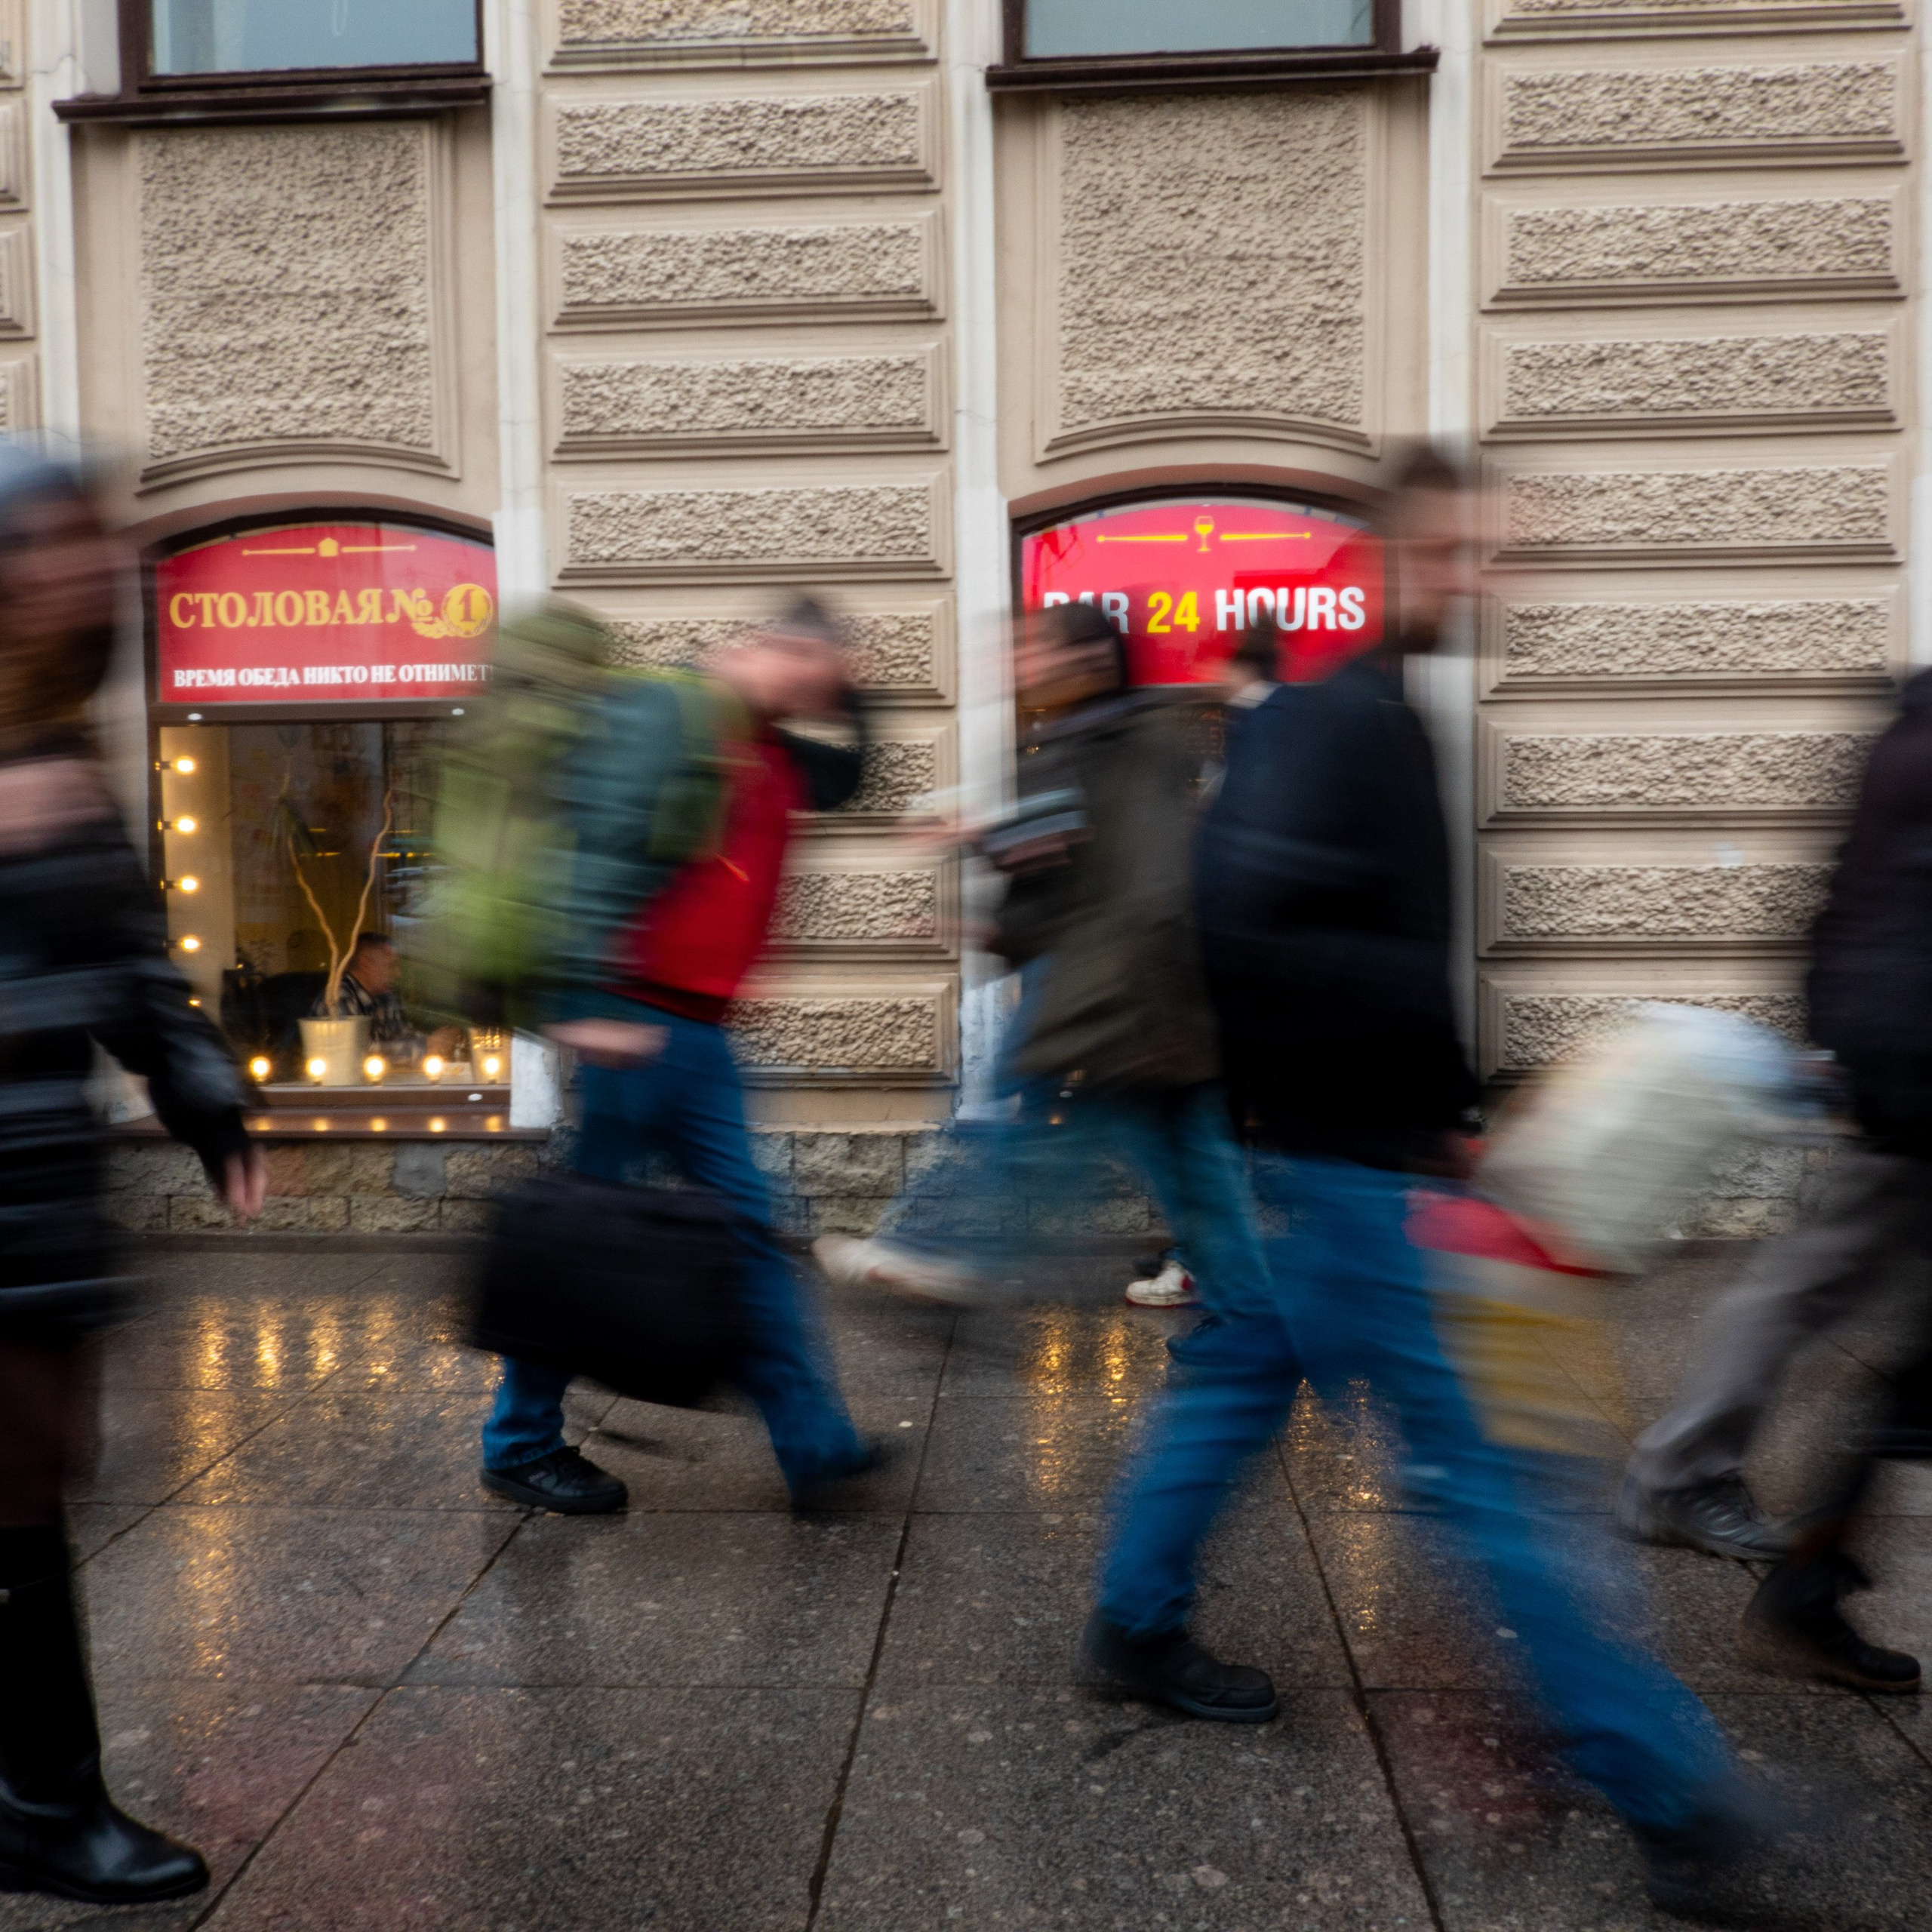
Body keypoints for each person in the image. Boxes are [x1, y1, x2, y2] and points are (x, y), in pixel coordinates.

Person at [1088, 448, 1782, 1913]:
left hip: (1314, 1154)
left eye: (1498, 552)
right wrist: (1417, 1113)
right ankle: (1671, 1793)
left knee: (1229, 1385)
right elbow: (1257, 925)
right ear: (1393, 555)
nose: (1487, 577)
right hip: (1348, 1173)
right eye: (1464, 550)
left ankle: (1131, 1626)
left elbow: (1323, 934)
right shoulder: (1345, 720)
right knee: (1494, 1482)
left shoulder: (1357, 712)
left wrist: (1435, 1106)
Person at [0, 446, 266, 1905]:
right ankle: (46, 1803)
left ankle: (41, 1795)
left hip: (38, 1183)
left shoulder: (57, 757)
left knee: (33, 1481)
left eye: (89, 541)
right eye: (51, 540)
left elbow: (132, 967)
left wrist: (209, 1097)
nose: (83, 565)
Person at [479, 598, 883, 1514]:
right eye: (815, 670)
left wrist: (855, 690)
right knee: (586, 1245)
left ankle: (814, 1445)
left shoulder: (770, 744)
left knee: (736, 1237)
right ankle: (520, 1443)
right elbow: (594, 848)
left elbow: (851, 779)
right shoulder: (671, 712)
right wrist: (578, 1003)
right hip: (637, 1021)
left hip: (695, 1031)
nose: (821, 694)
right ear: (780, 649)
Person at [816, 605, 1274, 1392]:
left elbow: (1141, 888)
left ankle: (954, 1256)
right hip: (1139, 1002)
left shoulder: (1120, 745)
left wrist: (1140, 1006)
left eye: (1035, 648)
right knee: (1197, 1175)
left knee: (1049, 1130)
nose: (1020, 662)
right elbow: (1053, 884)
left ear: (1090, 659)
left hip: (1125, 1005)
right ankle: (1253, 1326)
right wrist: (973, 897)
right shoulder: (1081, 742)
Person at [1623, 668, 1932, 1687]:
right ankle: (1700, 1490)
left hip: (1892, 1059)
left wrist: (1837, 1034)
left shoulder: (1905, 731)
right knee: (1806, 1286)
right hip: (1913, 1071)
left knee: (1809, 1284)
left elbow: (1839, 897)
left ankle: (1750, 1530)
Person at [311, 931, 460, 1063]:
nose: (398, 973)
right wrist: (426, 1047)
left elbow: (402, 1035)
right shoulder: (338, 998)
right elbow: (356, 1053)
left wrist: (440, 1041)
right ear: (366, 964)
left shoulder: (384, 995)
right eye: (391, 965)